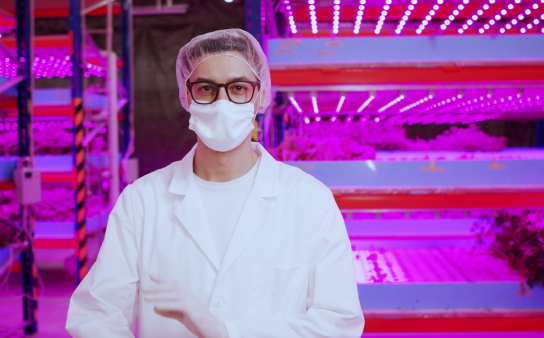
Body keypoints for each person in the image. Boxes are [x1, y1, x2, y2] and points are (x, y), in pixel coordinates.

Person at [65, 28, 364, 338]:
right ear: (185, 95)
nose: (223, 102)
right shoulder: (142, 201)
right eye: (206, 88)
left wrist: (223, 333)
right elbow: (96, 315)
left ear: (261, 95)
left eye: (238, 88)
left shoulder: (309, 200)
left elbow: (338, 324)